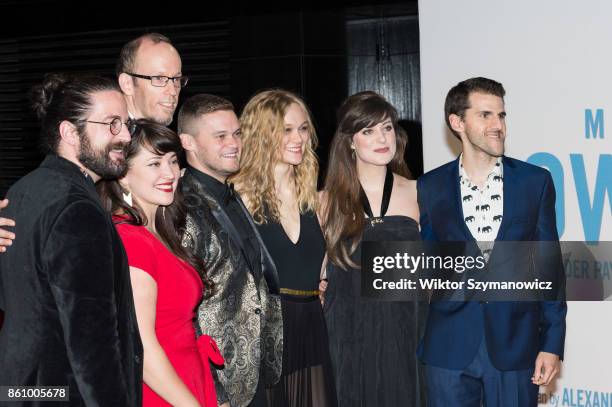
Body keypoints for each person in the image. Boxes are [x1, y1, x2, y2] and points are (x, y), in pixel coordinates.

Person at [417, 77, 566, 407]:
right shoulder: (431, 186)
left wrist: (552, 342)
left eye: (501, 115)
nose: (498, 125)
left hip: (514, 345)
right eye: (485, 115)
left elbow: (549, 267)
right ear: (457, 122)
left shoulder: (534, 181)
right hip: (448, 347)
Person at [0, 73, 143, 406]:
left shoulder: (23, 190)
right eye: (111, 124)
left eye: (125, 124)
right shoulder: (77, 208)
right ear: (68, 132)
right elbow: (93, 345)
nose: (124, 136)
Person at [98, 120, 222, 406]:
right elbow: (142, 345)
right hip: (163, 390)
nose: (170, 173)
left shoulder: (160, 233)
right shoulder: (131, 240)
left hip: (186, 378)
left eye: (172, 161)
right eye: (154, 164)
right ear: (123, 175)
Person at [231, 89, 337, 407]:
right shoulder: (238, 195)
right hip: (264, 329)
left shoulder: (314, 197)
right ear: (262, 134)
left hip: (311, 324)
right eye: (286, 130)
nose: (299, 138)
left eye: (303, 129)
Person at [320, 91, 427, 407]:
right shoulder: (324, 202)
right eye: (368, 131)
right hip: (346, 333)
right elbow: (313, 275)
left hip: (406, 331)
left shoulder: (420, 192)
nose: (382, 138)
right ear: (350, 141)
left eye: (387, 128)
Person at [177, 94, 282, 407]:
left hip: (256, 367)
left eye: (236, 134)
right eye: (220, 136)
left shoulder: (231, 194)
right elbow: (183, 307)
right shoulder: (181, 206)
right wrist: (212, 386)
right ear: (188, 142)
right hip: (219, 378)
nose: (234, 143)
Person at [116, 33, 186, 125]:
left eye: (176, 79)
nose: (173, 91)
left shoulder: (167, 137)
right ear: (127, 84)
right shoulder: (106, 137)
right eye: (159, 78)